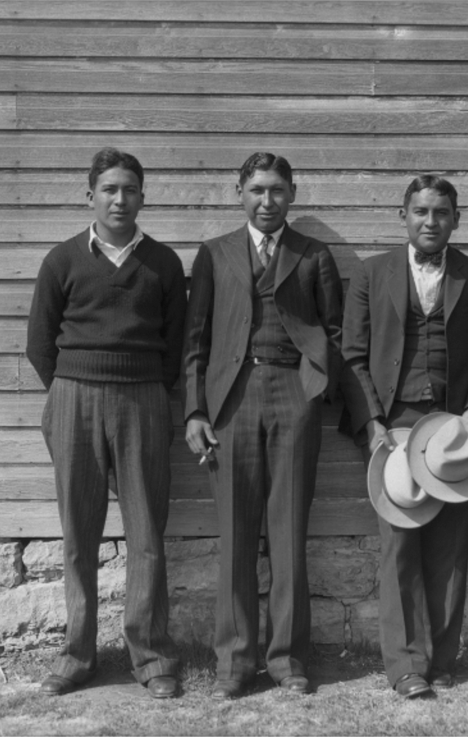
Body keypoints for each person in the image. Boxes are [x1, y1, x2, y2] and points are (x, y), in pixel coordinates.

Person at [182, 152, 344, 699]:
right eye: (256, 190)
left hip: (293, 395)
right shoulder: (214, 255)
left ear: (292, 193)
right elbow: (195, 340)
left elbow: (334, 330)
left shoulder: (313, 254)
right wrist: (195, 410)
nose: (266, 201)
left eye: (276, 190)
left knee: (288, 534)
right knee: (235, 535)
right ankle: (234, 661)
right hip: (231, 401)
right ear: (239, 192)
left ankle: (288, 659)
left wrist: (317, 388)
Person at [26, 147, 186, 699]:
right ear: (89, 194)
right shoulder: (62, 260)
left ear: (144, 196)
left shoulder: (163, 264)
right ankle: (78, 656)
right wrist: (72, 390)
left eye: (131, 189)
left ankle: (152, 655)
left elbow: (176, 344)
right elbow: (39, 342)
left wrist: (149, 389)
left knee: (146, 533)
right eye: (110, 189)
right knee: (79, 534)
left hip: (142, 398)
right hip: (74, 398)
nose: (120, 199)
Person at [341, 174, 468, 698]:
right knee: (401, 542)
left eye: (441, 213)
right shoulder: (371, 274)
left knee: (450, 547)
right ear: (402, 215)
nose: (430, 222)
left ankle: (442, 659)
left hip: (453, 428)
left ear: (457, 218)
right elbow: (354, 356)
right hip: (395, 423)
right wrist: (372, 424)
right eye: (420, 212)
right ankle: (406, 665)